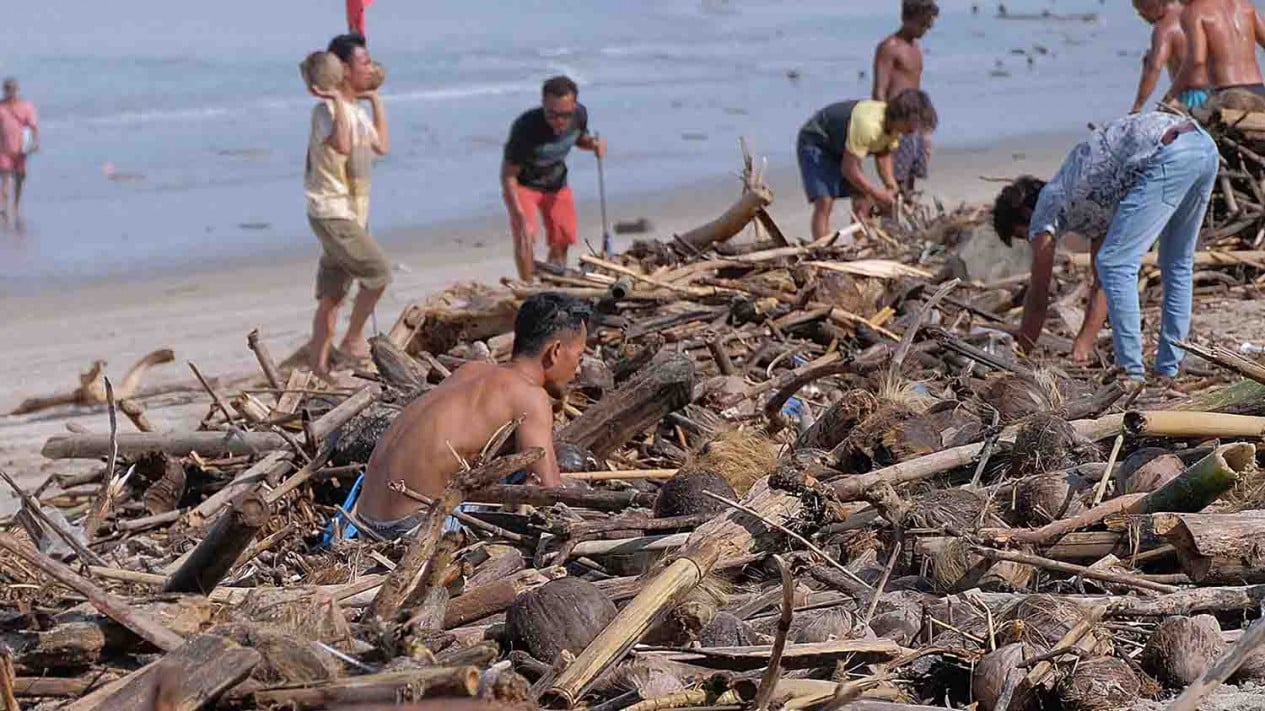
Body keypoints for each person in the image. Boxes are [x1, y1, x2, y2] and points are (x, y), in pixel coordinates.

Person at [991, 111, 1218, 379]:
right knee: (1176, 263)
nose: (1033, 241)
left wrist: (1021, 354)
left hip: (1169, 153)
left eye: (1024, 235)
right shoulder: (1089, 195)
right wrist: (1083, 344)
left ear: (1024, 215)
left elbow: (1039, 295)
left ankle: (1130, 372)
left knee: (1117, 263)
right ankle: (1169, 368)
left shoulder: (1046, 206)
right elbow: (1103, 284)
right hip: (1202, 146)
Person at [355, 292, 590, 538]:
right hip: (409, 529)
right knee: (521, 478)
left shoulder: (470, 371)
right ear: (555, 351)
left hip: (364, 520)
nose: (578, 370)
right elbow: (550, 492)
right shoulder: (530, 396)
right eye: (579, 357)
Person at [303, 32, 391, 378]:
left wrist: (375, 100)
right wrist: (338, 98)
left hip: (350, 214)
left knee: (332, 295)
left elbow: (382, 146)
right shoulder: (324, 111)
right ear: (342, 69)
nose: (370, 67)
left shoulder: (356, 111)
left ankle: (318, 366)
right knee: (378, 272)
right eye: (364, 63)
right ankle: (353, 341)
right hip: (331, 211)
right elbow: (341, 144)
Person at [502, 76, 607, 282]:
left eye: (565, 115)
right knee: (525, 234)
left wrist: (593, 144)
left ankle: (553, 281)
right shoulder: (526, 127)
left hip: (556, 182)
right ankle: (528, 287)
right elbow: (508, 175)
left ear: (574, 105)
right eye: (552, 114)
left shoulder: (579, 115)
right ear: (543, 105)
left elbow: (579, 138)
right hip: (524, 184)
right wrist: (518, 212)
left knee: (563, 236)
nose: (559, 121)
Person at [796, 89, 938, 240]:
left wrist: (891, 185)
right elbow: (849, 169)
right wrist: (877, 194)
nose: (914, 131)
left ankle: (860, 241)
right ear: (902, 116)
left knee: (864, 199)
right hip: (817, 140)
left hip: (843, 146)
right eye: (912, 125)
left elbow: (883, 154)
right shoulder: (869, 126)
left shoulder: (894, 128)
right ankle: (821, 245)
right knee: (825, 201)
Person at [873, 0, 939, 193]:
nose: (926, 28)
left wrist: (925, 128)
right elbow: (879, 90)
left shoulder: (916, 49)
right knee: (895, 176)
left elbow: (916, 90)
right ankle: (893, 207)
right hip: (897, 121)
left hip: (914, 122)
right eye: (922, 23)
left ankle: (906, 206)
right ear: (907, 18)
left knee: (912, 174)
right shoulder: (889, 47)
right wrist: (884, 127)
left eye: (928, 24)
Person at [1170, 0, 1265, 109]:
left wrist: (1172, 93)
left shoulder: (1194, 12)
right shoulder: (1245, 6)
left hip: (1227, 96)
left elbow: (1196, 60)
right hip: (1258, 91)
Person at [1131, 0, 1188, 113]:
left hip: (1192, 94)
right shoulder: (1194, 13)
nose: (1141, 15)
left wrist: (1137, 107)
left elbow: (1154, 68)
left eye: (1142, 10)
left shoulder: (1165, 28)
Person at [0, 78, 39, 222]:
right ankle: (4, 207)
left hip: (21, 148)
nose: (10, 91)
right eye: (7, 88)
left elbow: (33, 126)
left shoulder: (26, 106)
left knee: (19, 178)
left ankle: (16, 205)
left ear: (17, 90)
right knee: (5, 177)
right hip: (3, 149)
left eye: (12, 88)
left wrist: (34, 143)